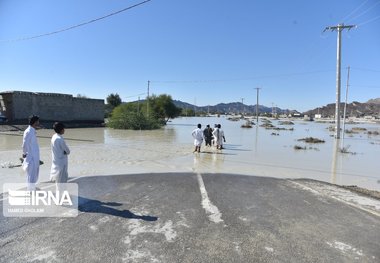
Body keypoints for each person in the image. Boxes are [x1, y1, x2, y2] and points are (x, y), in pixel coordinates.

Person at [22, 115, 40, 191]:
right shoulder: (29, 131)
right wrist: (24, 153)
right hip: (31, 157)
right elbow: (24, 144)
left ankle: (32, 189)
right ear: (35, 122)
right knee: (31, 175)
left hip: (35, 156)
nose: (39, 123)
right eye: (38, 121)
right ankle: (30, 190)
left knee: (34, 174)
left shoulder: (32, 131)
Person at [50, 122, 70, 191]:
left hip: (56, 161)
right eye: (63, 129)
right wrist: (65, 152)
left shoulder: (54, 137)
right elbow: (68, 151)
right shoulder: (60, 139)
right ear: (61, 130)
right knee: (63, 180)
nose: (64, 130)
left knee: (58, 181)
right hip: (62, 163)